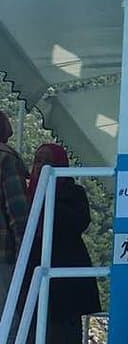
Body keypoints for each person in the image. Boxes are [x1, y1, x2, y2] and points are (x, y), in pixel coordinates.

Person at [23, 144, 101, 344]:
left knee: (64, 334)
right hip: (33, 277)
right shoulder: (25, 196)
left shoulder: (73, 193)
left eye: (47, 162)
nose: (40, 167)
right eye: (37, 161)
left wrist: (50, 200)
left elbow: (78, 222)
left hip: (65, 281)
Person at [0, 112, 27, 309]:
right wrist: (24, 253)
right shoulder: (6, 159)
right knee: (7, 319)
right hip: (3, 254)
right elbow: (18, 212)